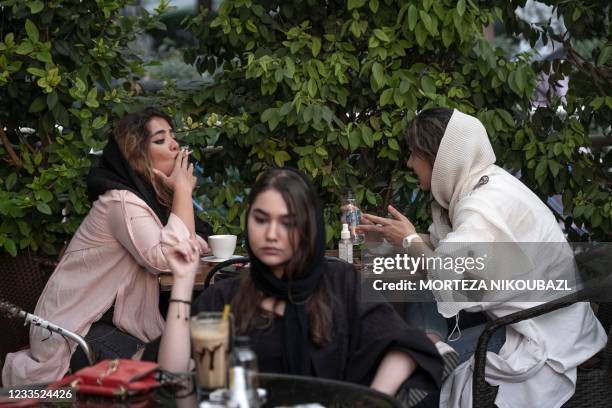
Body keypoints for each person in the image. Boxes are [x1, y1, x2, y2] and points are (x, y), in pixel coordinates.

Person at [357, 107, 607, 407]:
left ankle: (426, 354)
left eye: (413, 153)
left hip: (537, 336)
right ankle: (434, 344)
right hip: (545, 320)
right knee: (418, 285)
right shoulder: (486, 183)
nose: (409, 163)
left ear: (438, 158)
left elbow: (453, 278)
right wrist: (393, 240)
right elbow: (446, 249)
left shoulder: (484, 205)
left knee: (411, 371)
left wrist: (409, 240)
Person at [158, 167, 444, 405]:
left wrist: (370, 400)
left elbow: (406, 345)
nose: (271, 234)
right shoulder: (226, 297)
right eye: (261, 219)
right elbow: (174, 378)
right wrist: (183, 281)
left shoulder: (339, 284)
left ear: (308, 228)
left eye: (288, 223)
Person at [2, 108, 211, 386]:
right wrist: (183, 191)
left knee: (181, 359)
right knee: (165, 373)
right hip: (74, 330)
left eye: (173, 136)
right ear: (137, 156)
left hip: (109, 322)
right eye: (160, 140)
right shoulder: (121, 201)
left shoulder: (149, 200)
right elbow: (170, 257)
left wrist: (177, 198)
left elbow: (200, 241)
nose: (175, 145)